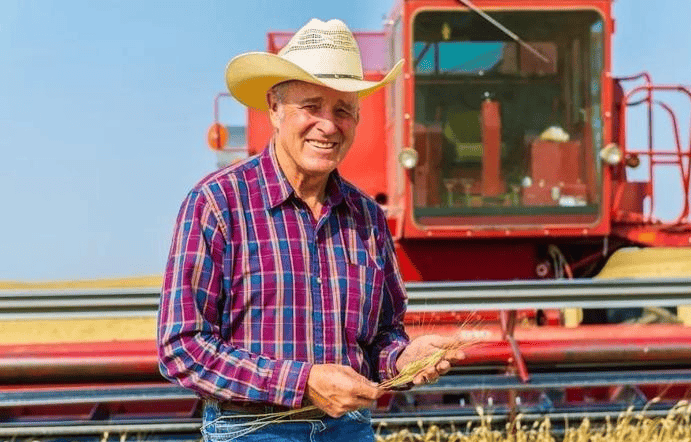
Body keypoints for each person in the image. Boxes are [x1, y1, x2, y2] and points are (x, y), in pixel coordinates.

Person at [157, 18, 464, 442]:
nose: (328, 125)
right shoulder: (217, 204)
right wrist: (302, 383)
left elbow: (381, 337)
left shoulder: (367, 217)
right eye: (312, 106)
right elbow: (182, 347)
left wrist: (404, 359)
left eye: (343, 110)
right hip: (251, 429)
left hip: (349, 429)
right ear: (275, 108)